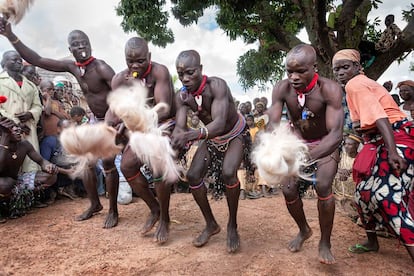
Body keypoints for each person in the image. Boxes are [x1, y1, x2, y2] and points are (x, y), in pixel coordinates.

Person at [0, 21, 121, 228]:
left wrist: (112, 119)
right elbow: (36, 59)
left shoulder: (100, 67)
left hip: (112, 119)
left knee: (108, 165)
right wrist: (11, 36)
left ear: (90, 45)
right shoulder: (72, 67)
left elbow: (121, 94)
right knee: (87, 164)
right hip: (95, 122)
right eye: (76, 44)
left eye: (84, 43)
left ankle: (113, 211)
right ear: (70, 50)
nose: (81, 47)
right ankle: (95, 205)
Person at [332, 49, 414, 262]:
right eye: (336, 69)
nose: (340, 72)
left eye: (345, 67)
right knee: (363, 194)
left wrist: (393, 152)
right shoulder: (356, 87)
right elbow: (366, 125)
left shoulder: (355, 84)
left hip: (397, 140)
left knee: (388, 198)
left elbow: (380, 118)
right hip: (385, 141)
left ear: (358, 67)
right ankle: (372, 242)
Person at [267, 44, 344, 264]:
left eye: (300, 71)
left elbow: (335, 134)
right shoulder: (281, 88)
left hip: (325, 143)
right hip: (296, 143)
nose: (293, 77)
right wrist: (273, 143)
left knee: (322, 185)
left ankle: (325, 242)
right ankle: (304, 230)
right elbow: (273, 122)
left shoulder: (329, 89)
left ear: (315, 67)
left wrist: (309, 155)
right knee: (288, 189)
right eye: (289, 71)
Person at [171, 49, 250, 253]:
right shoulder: (182, 95)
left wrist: (189, 135)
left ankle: (232, 225)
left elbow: (220, 123)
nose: (185, 79)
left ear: (200, 69)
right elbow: (180, 126)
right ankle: (211, 224)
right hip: (210, 138)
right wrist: (176, 138)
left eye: (190, 72)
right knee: (193, 175)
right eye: (181, 75)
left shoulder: (217, 85)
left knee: (228, 173)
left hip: (234, 134)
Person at [109, 37, 176, 244]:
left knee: (158, 166)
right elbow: (112, 113)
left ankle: (165, 219)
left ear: (149, 56)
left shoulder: (159, 72)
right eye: (131, 61)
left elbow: (163, 109)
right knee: (127, 166)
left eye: (140, 61)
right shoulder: (120, 80)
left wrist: (129, 121)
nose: (135, 66)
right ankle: (154, 208)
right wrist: (111, 126)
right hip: (138, 128)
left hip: (163, 125)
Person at [0, 116, 59, 221]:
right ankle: (3, 208)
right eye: (12, 130)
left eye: (17, 128)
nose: (18, 131)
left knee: (50, 177)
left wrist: (48, 166)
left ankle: (20, 201)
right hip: (3, 183)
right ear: (4, 133)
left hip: (16, 181)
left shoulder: (24, 144)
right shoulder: (1, 145)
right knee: (6, 184)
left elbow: (41, 161)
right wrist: (4, 139)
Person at [0, 50, 43, 173]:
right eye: (14, 59)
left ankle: (28, 190)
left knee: (31, 163)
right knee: (10, 163)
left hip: (28, 128)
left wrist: (30, 114)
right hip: (7, 129)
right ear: (4, 62)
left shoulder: (30, 85)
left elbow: (37, 106)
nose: (19, 61)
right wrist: (15, 122)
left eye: (20, 59)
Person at [332, 133, 362, 220]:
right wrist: (339, 171)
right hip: (339, 195)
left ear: (356, 145)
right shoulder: (341, 156)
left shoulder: (361, 157)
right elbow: (332, 168)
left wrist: (350, 171)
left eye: (349, 144)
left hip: (354, 196)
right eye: (345, 144)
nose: (346, 146)